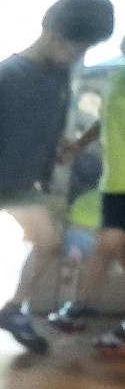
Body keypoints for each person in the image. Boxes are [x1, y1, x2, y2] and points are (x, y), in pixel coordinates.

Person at [0, 0, 115, 358]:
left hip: (20, 178)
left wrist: (62, 145)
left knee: (49, 241)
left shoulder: (60, 74)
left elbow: (43, 122)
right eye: (76, 49)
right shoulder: (9, 72)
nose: (78, 57)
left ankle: (12, 309)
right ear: (52, 33)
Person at [48, 34, 125, 358]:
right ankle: (83, 311)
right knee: (118, 251)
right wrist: (80, 144)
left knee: (109, 243)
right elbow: (105, 120)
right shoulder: (117, 80)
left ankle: (80, 306)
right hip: (114, 182)